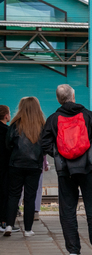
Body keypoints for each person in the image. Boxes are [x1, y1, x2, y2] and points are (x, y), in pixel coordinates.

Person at [41, 84, 92, 255]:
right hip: (89, 169)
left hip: (66, 171)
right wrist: (91, 154)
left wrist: (60, 155)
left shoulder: (53, 119)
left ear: (59, 99)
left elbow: (44, 143)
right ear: (73, 97)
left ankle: (73, 250)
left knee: (67, 211)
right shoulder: (88, 115)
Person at [4, 97, 45, 237]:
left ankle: (9, 225)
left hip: (16, 164)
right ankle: (28, 229)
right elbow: (45, 146)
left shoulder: (15, 124)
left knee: (13, 195)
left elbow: (8, 144)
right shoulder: (41, 125)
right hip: (34, 166)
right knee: (30, 197)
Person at [0, 105, 11, 230]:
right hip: (5, 165)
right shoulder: (7, 130)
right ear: (6, 116)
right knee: (5, 193)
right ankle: (3, 221)